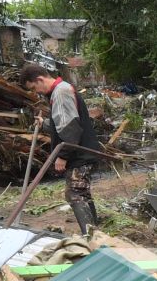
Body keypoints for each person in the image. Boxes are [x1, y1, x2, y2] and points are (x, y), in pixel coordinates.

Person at [20, 63, 99, 235]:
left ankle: (90, 235)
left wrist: (62, 155)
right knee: (82, 192)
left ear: (40, 79)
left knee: (75, 193)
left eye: (34, 88)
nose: (36, 93)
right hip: (82, 151)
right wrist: (45, 124)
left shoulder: (61, 93)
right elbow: (61, 124)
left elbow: (71, 128)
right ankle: (94, 231)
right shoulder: (61, 91)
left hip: (80, 153)